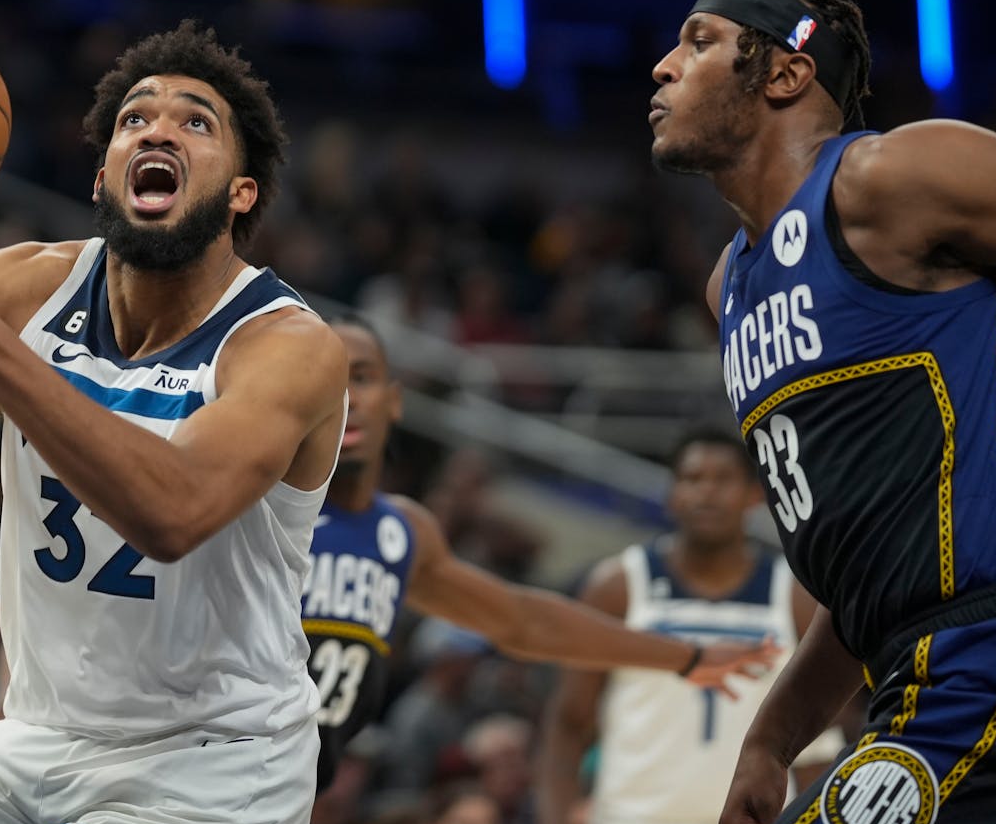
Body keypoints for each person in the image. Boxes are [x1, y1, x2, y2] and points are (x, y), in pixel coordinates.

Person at [0, 21, 349, 824]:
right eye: (134, 119)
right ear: (101, 177)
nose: (157, 128)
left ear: (241, 192)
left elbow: (172, 512)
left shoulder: (284, 346)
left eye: (196, 121)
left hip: (217, 765)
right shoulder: (27, 284)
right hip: (35, 744)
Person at [648, 0, 996, 824]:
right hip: (919, 670)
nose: (663, 65)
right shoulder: (729, 287)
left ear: (784, 72)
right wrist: (772, 739)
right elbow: (869, 579)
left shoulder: (891, 177)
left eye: (700, 41)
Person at [305, 316, 775, 793]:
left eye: (360, 377)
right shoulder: (258, 505)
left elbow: (524, 621)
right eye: (327, 381)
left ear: (395, 400)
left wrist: (688, 657)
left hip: (295, 789)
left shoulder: (403, 532)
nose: (347, 397)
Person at [535, 428, 846, 824]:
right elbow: (569, 723)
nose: (707, 493)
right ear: (672, 494)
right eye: (693, 479)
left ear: (754, 494)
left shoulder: (794, 596)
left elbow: (817, 740)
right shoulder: (618, 586)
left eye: (722, 480)